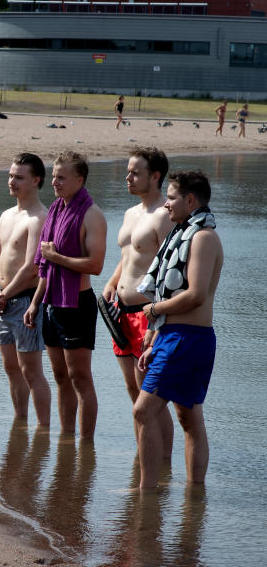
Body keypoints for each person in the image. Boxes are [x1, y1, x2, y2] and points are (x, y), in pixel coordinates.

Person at [133, 171, 223, 490]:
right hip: (175, 336)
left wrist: (154, 310)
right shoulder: (184, 232)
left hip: (187, 340)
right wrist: (154, 334)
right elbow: (174, 293)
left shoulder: (202, 237)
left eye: (171, 198)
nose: (166, 204)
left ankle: (147, 493)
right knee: (188, 417)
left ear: (190, 200)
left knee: (143, 411)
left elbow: (195, 294)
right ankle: (193, 499)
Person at [25, 151, 107, 439]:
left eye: (61, 177)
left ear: (79, 179)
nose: (55, 182)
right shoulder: (56, 211)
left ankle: (85, 448)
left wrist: (58, 257)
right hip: (51, 304)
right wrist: (35, 303)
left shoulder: (92, 215)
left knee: (80, 378)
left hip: (77, 305)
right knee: (61, 377)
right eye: (54, 176)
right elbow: (45, 266)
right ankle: (66, 440)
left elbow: (96, 265)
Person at [100, 147, 174, 456]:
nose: (127, 177)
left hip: (147, 314)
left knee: (150, 396)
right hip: (121, 312)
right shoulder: (131, 212)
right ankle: (142, 458)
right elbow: (128, 256)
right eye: (128, 171)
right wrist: (111, 282)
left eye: (135, 173)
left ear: (155, 177)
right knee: (134, 393)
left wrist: (155, 325)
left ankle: (164, 465)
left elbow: (170, 272)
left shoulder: (164, 215)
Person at [0, 153, 52, 426]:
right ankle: (20, 422)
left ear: (36, 181)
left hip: (26, 303)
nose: (12, 181)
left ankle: (44, 429)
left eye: (19, 177)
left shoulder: (40, 218)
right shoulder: (6, 215)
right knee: (11, 368)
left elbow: (31, 268)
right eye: (11, 175)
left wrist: (5, 294)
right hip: (3, 303)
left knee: (31, 370)